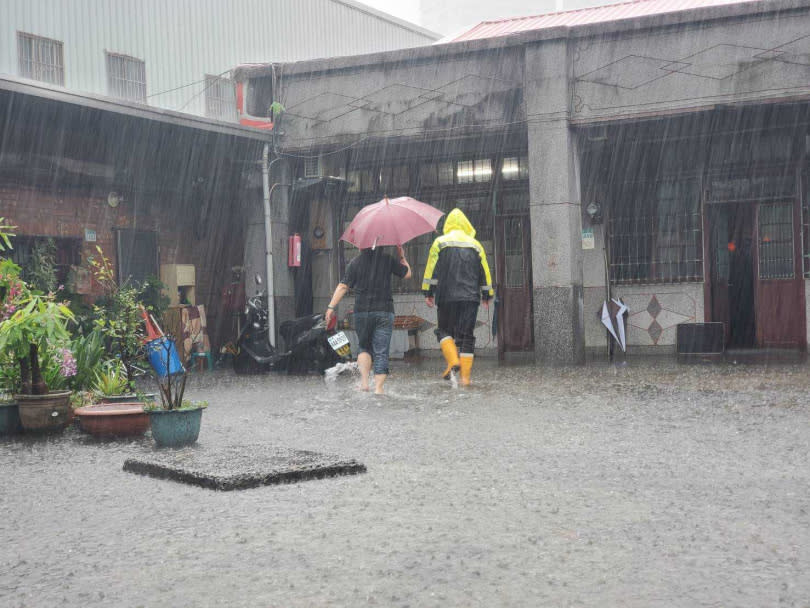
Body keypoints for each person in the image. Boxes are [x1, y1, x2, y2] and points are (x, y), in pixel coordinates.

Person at [325, 245, 411, 394]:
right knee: (381, 351)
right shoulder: (387, 260)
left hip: (362, 312)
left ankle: (364, 383)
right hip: (384, 310)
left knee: (364, 346)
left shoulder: (355, 262)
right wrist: (402, 256)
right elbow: (407, 274)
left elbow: (343, 286)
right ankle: (378, 388)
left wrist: (331, 307)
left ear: (361, 246)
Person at [422, 208, 494, 386]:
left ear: (448, 225)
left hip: (447, 296)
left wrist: (428, 292)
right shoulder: (476, 245)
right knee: (467, 336)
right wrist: (487, 294)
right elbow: (485, 272)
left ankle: (453, 360)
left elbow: (431, 270)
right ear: (466, 224)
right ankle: (465, 379)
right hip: (470, 298)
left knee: (443, 331)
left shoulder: (439, 243)